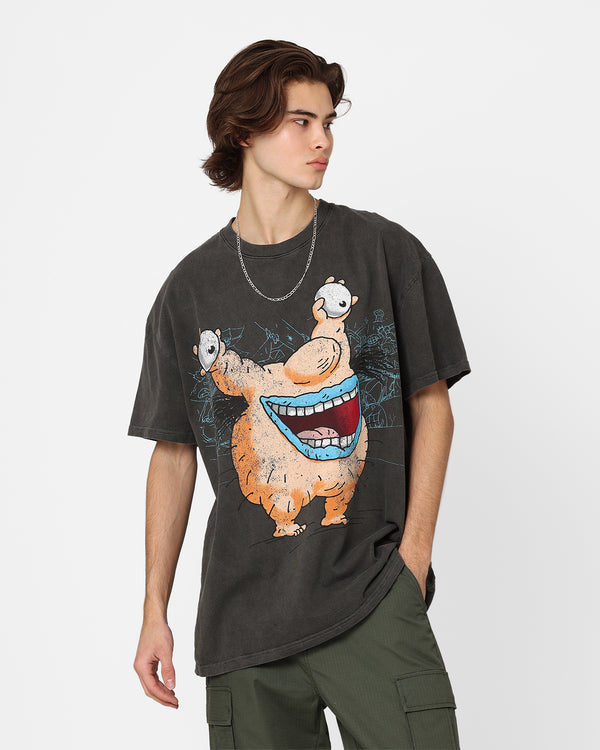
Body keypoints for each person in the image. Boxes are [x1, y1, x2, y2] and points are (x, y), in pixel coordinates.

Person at [129, 38, 471, 749]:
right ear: (243, 130)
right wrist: (154, 609)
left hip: (371, 597)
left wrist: (412, 560)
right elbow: (173, 453)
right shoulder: (186, 292)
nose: (323, 141)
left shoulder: (383, 251)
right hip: (243, 625)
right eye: (300, 122)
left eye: (328, 122)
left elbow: (431, 406)